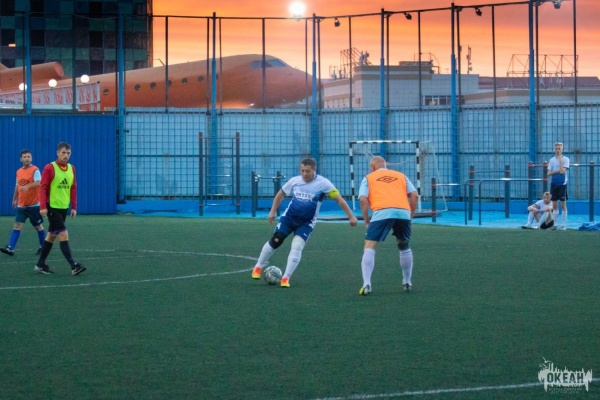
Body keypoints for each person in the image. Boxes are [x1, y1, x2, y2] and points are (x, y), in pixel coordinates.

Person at [251, 158, 357, 287]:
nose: (305, 174)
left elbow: (339, 200)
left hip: (306, 222)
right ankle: (258, 266)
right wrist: (272, 211)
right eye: (302, 171)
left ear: (314, 170)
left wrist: (351, 216)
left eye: (308, 171)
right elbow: (280, 195)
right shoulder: (294, 181)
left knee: (297, 246)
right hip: (289, 218)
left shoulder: (324, 183)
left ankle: (285, 278)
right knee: (277, 239)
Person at [358, 156, 418, 296]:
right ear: (385, 165)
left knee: (369, 246)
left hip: (382, 212)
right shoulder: (401, 176)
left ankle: (366, 284)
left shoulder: (368, 178)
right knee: (403, 245)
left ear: (372, 167)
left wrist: (366, 221)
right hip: (403, 212)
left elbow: (362, 200)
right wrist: (409, 216)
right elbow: (414, 196)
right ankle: (407, 281)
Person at [34, 142, 86, 275]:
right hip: (52, 207)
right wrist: (42, 207)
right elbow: (43, 188)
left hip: (63, 207)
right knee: (63, 233)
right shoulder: (50, 168)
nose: (66, 155)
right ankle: (74, 266)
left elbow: (73, 188)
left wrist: (74, 207)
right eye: (63, 152)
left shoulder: (72, 168)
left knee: (51, 236)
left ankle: (40, 264)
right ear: (57, 153)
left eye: (68, 153)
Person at [1, 150, 47, 256]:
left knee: (38, 226)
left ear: (31, 158)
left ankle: (43, 247)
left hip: (34, 205)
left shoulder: (35, 170)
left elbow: (38, 182)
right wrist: (14, 199)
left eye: (28, 156)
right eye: (24, 157)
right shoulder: (18, 171)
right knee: (17, 226)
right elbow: (17, 186)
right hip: (21, 205)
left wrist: (27, 186)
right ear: (21, 159)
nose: (27, 158)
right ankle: (10, 248)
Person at [547, 142, 569, 230]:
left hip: (562, 183)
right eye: (556, 149)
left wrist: (560, 161)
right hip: (554, 183)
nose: (557, 150)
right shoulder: (552, 160)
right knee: (554, 204)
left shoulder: (566, 159)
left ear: (562, 149)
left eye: (559, 149)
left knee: (563, 203)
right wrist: (557, 171)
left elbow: (563, 171)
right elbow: (548, 173)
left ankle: (563, 225)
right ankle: (555, 224)